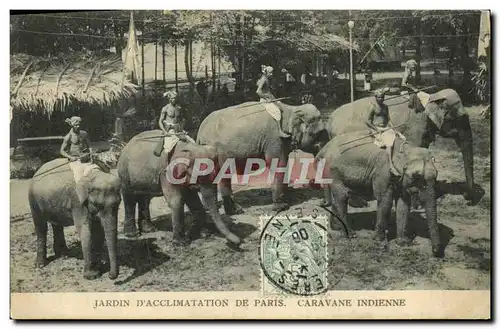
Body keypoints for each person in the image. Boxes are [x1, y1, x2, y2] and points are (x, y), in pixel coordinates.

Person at [365, 89, 403, 174]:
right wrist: (376, 129)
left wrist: (394, 129)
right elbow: (367, 121)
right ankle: (390, 165)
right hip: (376, 128)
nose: (381, 99)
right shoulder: (373, 107)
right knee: (389, 142)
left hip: (385, 128)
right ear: (375, 97)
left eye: (382, 97)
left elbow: (388, 119)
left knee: (400, 137)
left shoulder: (385, 107)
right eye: (379, 97)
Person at [60, 116, 94, 205]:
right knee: (79, 176)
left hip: (85, 158)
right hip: (75, 160)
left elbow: (89, 145)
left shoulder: (84, 134)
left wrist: (90, 152)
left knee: (93, 172)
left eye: (79, 124)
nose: (78, 126)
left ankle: (93, 195)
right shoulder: (68, 136)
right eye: (76, 124)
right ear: (71, 124)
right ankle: (82, 199)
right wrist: (70, 157)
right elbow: (62, 151)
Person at [154, 90, 195, 157]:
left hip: (178, 130)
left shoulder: (179, 108)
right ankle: (165, 164)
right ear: (169, 99)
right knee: (168, 149)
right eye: (172, 98)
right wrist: (164, 132)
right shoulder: (165, 108)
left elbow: (182, 120)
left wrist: (182, 129)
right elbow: (160, 121)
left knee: (192, 142)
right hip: (169, 130)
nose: (174, 100)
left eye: (175, 98)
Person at [256, 65, 290, 139]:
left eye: (272, 72)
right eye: (270, 73)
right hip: (264, 100)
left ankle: (282, 127)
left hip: (270, 98)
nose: (271, 74)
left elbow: (268, 92)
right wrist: (266, 98)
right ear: (266, 73)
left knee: (280, 107)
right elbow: (258, 91)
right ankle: (279, 131)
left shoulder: (267, 79)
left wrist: (276, 100)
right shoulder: (263, 79)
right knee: (277, 111)